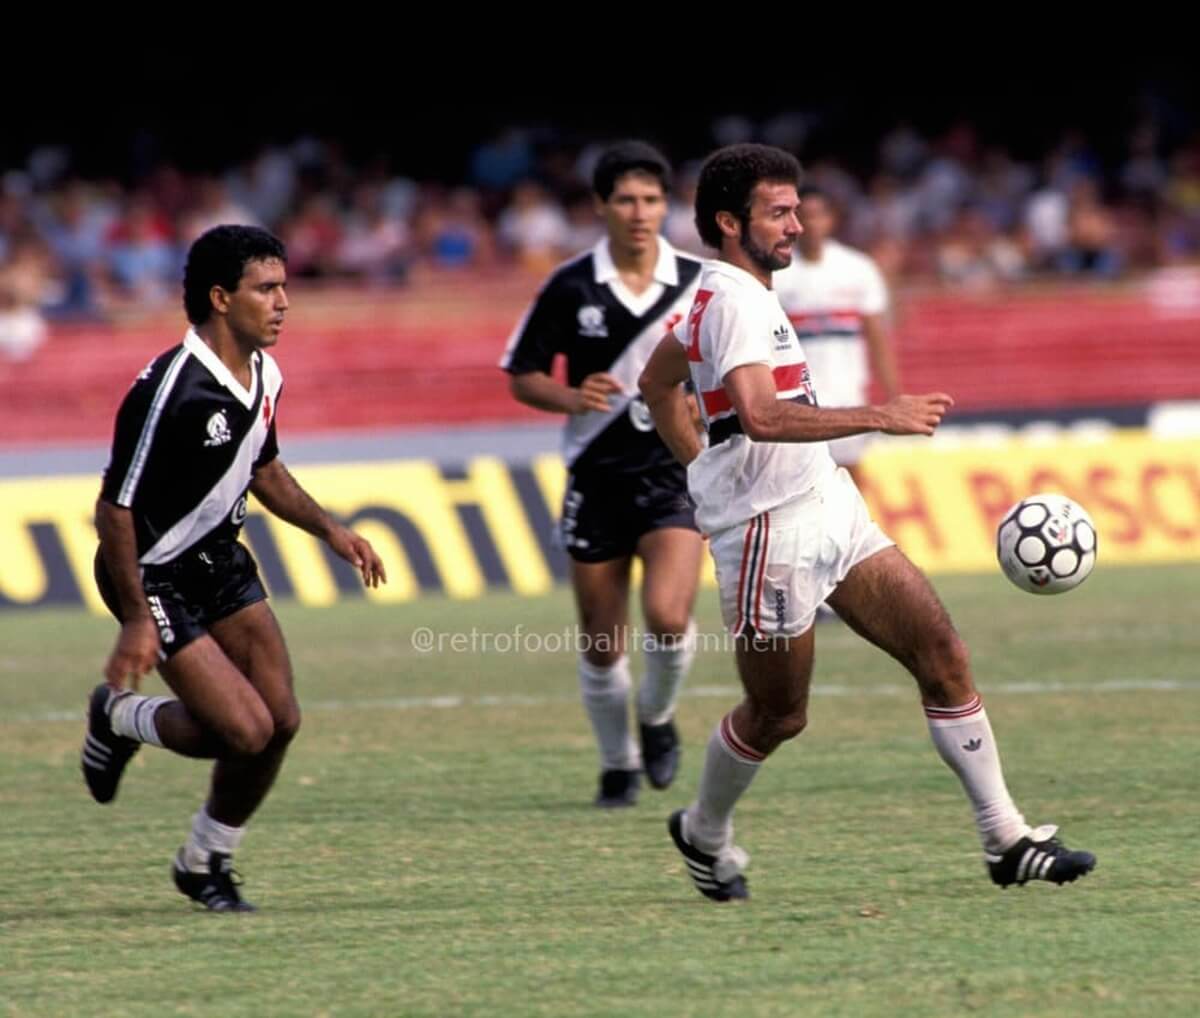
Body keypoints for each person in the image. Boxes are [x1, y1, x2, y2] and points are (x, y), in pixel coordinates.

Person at [638, 144, 1095, 902]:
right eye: (777, 212)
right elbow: (758, 415)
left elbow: (659, 385)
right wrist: (878, 414)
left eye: (795, 208)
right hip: (765, 535)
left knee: (942, 651)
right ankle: (702, 831)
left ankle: (1006, 838)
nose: (794, 224)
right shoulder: (733, 301)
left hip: (827, 503)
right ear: (728, 222)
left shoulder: (728, 293)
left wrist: (696, 462)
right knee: (779, 714)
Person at [81, 225, 387, 912]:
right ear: (221, 298)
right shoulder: (172, 388)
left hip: (221, 562)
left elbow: (265, 468)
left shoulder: (264, 373)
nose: (283, 303)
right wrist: (136, 618)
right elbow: (115, 511)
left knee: (280, 721)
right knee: (241, 731)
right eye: (266, 289)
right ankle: (119, 717)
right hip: (153, 573)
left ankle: (205, 861)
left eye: (284, 288)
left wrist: (331, 529)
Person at [500, 141, 705, 808]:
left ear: (666, 205)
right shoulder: (570, 285)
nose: (639, 212)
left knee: (669, 617)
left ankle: (657, 716)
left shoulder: (701, 283)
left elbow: (736, 364)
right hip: (596, 478)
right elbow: (523, 375)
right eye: (625, 199)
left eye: (651, 199)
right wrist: (570, 397)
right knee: (600, 636)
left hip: (675, 475)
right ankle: (618, 766)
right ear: (600, 206)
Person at [772, 185, 901, 490]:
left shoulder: (857, 269)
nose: (813, 223)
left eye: (820, 215)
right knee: (801, 489)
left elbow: (876, 338)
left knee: (851, 488)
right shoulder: (777, 275)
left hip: (847, 399)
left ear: (832, 219)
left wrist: (894, 395)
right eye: (806, 216)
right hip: (799, 405)